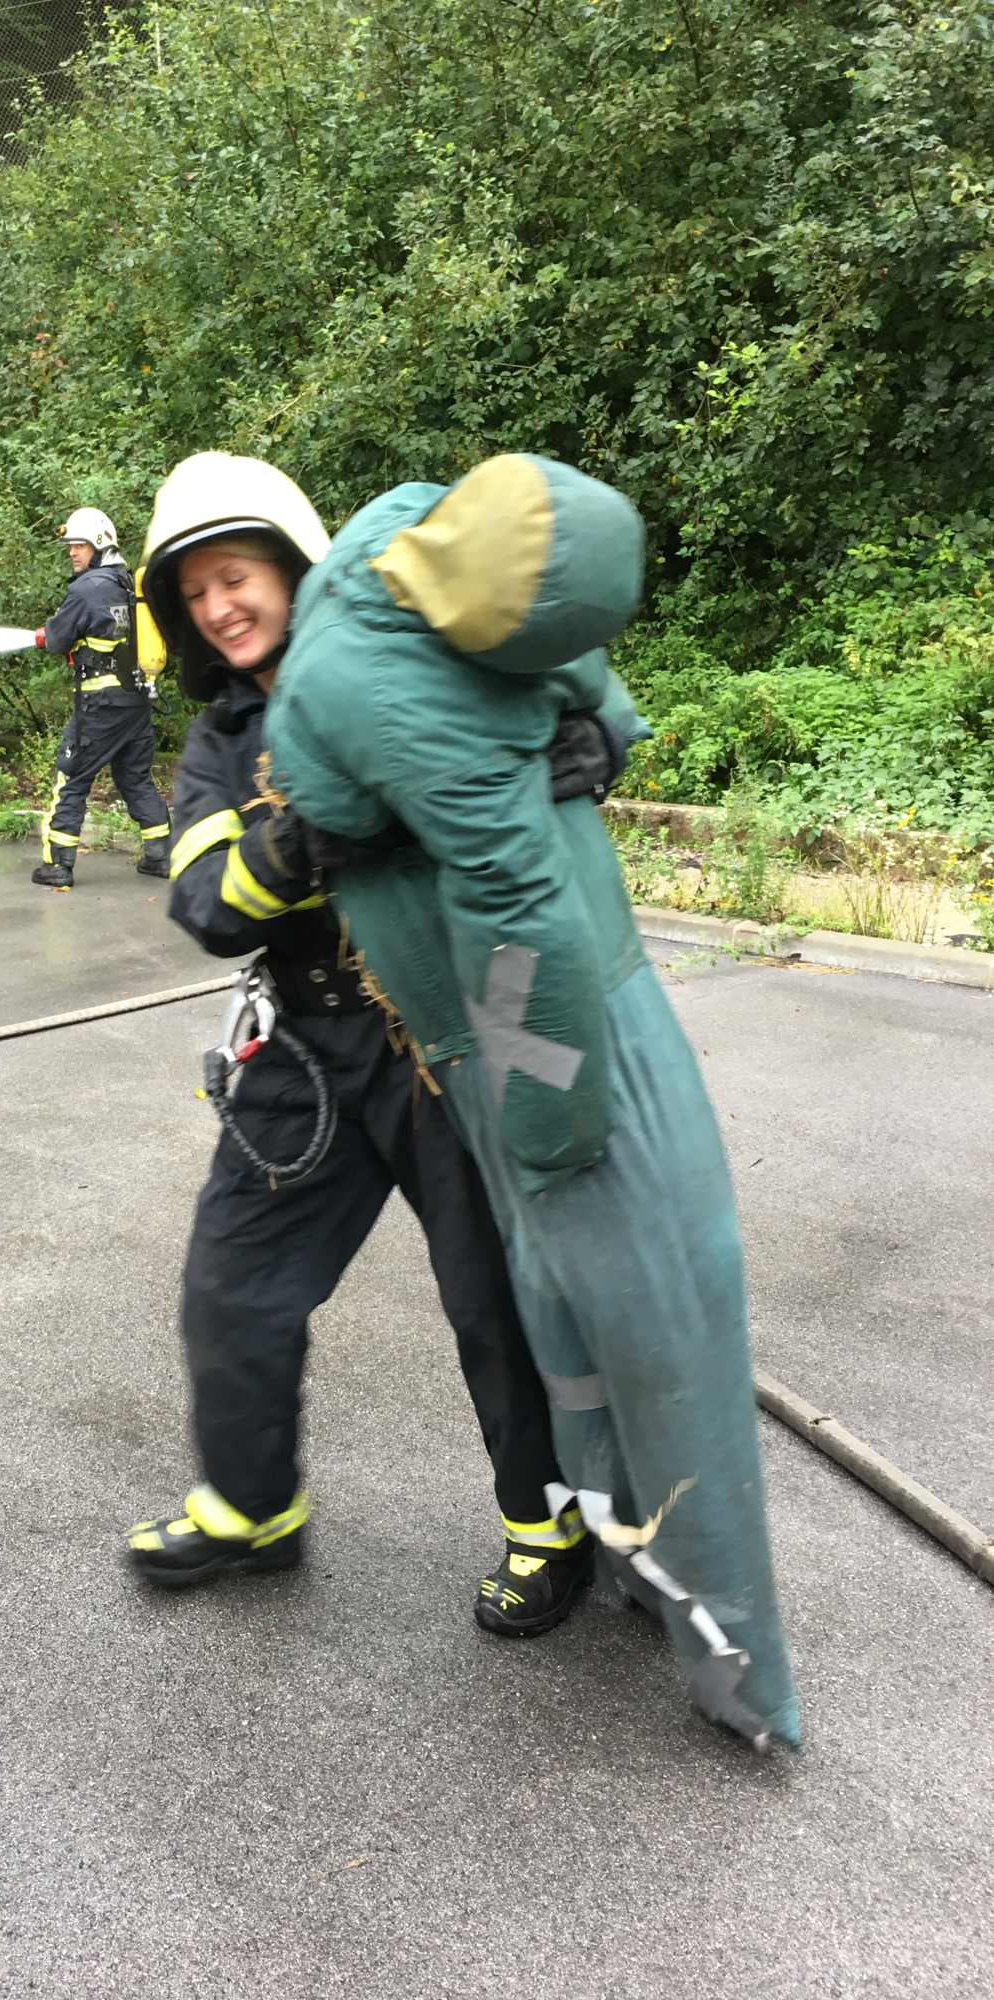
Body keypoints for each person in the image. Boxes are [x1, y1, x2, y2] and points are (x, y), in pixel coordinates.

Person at [262, 450, 800, 1749]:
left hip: (534, 1034)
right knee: (629, 1335)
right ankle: (686, 1619)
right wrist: (545, 1120)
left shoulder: (401, 532)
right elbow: (517, 922)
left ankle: (692, 1626)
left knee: (618, 1333)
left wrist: (602, 728)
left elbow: (568, 711)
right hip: (535, 1040)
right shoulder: (364, 676)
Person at [123, 454, 627, 1638]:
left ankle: (547, 1524)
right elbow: (207, 904)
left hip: (441, 1038)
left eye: (237, 576)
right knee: (232, 1282)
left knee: (494, 1299)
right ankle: (252, 1507)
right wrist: (306, 834)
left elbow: (563, 694)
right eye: (196, 592)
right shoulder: (221, 743)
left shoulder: (410, 659)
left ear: (296, 568)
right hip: (305, 1050)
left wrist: (587, 750)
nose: (220, 606)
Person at [31, 507, 172, 889]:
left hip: (100, 706)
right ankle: (161, 856)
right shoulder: (129, 584)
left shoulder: (86, 589)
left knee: (71, 777)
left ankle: (57, 865)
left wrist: (48, 632)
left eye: (79, 545)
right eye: (70, 545)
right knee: (136, 779)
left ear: (99, 545)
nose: (72, 552)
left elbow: (57, 640)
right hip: (136, 702)